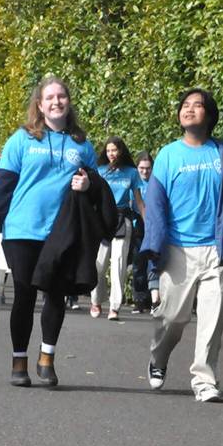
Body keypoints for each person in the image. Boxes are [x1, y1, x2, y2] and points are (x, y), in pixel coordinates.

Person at [0, 75, 96, 387]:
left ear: (68, 102)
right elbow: (3, 186)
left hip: (61, 232)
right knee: (25, 295)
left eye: (61, 96)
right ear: (40, 106)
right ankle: (19, 360)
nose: (56, 102)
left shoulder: (82, 145)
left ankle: (47, 357)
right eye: (50, 98)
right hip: (22, 230)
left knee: (56, 294)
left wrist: (89, 184)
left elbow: (99, 189)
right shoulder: (22, 139)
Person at [140, 88, 223, 402]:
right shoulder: (168, 155)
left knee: (213, 318)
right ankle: (158, 358)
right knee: (172, 317)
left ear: (210, 115)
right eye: (185, 105)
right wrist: (153, 249)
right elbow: (156, 206)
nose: (189, 109)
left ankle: (204, 381)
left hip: (217, 249)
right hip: (177, 249)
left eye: (197, 105)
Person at [89, 136, 145, 320]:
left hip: (123, 219)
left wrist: (148, 222)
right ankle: (96, 301)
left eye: (114, 150)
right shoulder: (99, 171)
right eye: (108, 150)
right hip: (102, 220)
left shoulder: (132, 172)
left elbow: (138, 200)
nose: (111, 154)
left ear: (121, 151)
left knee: (119, 265)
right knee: (98, 264)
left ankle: (114, 307)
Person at [130, 151, 154, 313]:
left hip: (153, 226)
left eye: (148, 168)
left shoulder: (156, 183)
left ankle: (154, 300)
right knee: (138, 264)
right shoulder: (134, 183)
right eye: (141, 168)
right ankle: (139, 301)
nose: (145, 172)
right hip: (136, 225)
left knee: (153, 264)